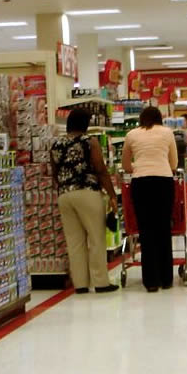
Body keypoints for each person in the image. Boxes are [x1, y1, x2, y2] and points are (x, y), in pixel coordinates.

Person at [51, 108, 120, 295]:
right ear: (85, 124)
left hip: (65, 195)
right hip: (87, 192)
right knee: (96, 239)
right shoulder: (90, 142)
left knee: (74, 242)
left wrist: (66, 185)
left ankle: (80, 284)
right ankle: (100, 282)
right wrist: (112, 194)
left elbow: (54, 172)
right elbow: (100, 169)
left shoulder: (57, 143)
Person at [122, 106, 179, 292]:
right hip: (163, 181)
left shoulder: (131, 135)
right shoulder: (167, 133)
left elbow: (125, 165)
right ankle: (166, 279)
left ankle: (151, 282)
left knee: (146, 232)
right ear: (160, 118)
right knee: (163, 229)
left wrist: (139, 168)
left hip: (141, 183)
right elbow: (174, 164)